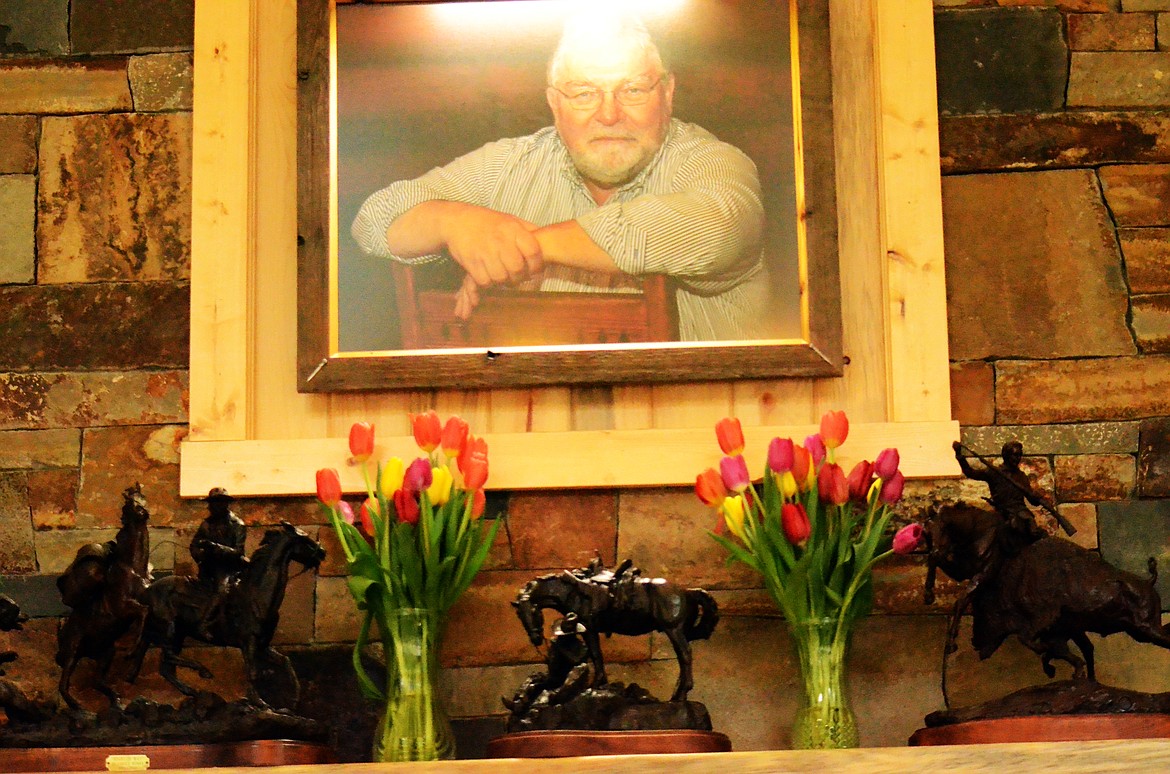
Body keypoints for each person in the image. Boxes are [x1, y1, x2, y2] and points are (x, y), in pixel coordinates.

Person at [352, 11, 771, 342]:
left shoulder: (716, 163)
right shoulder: (512, 165)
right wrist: (454, 222)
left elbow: (714, 229)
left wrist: (520, 249)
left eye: (633, 90)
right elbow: (373, 220)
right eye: (584, 93)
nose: (609, 114)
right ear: (555, 103)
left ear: (667, 93)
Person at [953, 441, 1049, 551]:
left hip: (1021, 511)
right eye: (1014, 455)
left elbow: (1031, 499)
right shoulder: (994, 472)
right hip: (1003, 510)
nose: (1017, 458)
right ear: (1006, 455)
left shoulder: (1021, 476)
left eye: (1019, 455)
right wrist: (960, 456)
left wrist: (1039, 498)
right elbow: (971, 473)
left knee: (1034, 531)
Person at [190, 487, 248, 640]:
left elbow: (238, 552)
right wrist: (200, 555)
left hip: (229, 567)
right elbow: (194, 545)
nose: (211, 507)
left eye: (216, 503)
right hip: (210, 566)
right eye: (211, 503)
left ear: (225, 504)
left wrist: (215, 547)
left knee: (222, 590)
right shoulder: (206, 524)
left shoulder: (237, 524)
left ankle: (203, 624)